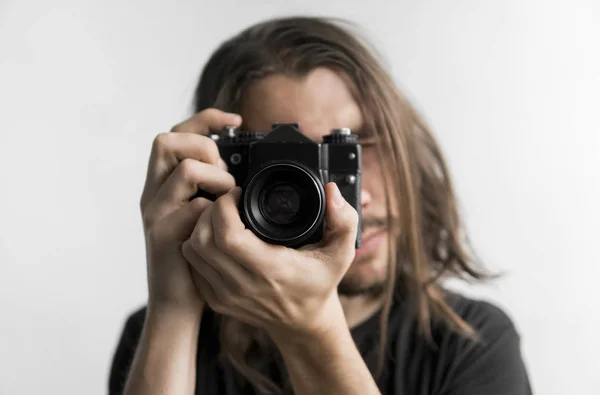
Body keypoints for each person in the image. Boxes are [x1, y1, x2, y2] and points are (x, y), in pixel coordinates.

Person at [108, 16, 532, 395]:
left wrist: (311, 328)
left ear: (406, 146)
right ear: (223, 176)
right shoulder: (165, 337)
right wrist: (173, 305)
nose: (353, 202)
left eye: (352, 149)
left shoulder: (472, 343)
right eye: (293, 169)